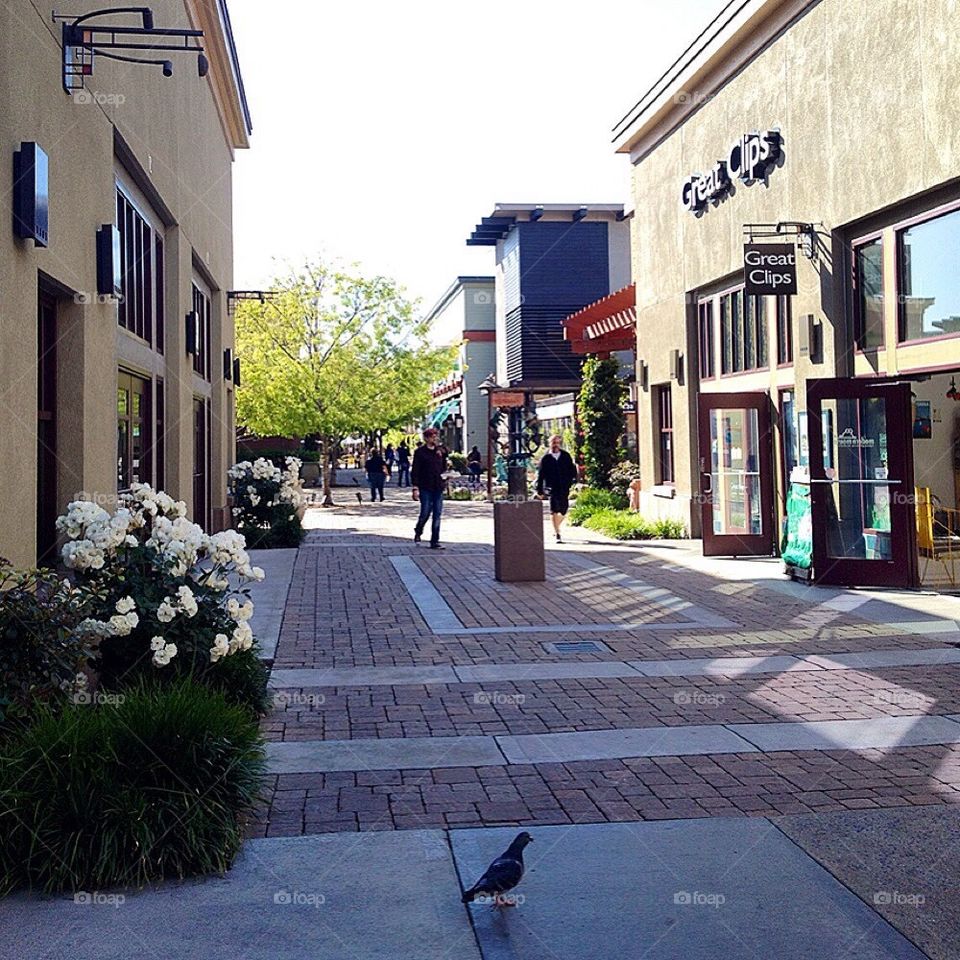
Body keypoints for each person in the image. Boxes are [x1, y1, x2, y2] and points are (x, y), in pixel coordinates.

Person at [536, 434, 578, 543]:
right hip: (551, 487)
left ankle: (557, 526)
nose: (555, 445)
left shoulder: (565, 456)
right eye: (553, 443)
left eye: (557, 443)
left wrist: (572, 481)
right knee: (554, 509)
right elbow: (541, 475)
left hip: (564, 486)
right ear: (550, 444)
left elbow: (572, 470)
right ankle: (557, 533)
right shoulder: (546, 458)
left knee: (563, 509)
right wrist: (540, 490)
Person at [411, 427, 447, 549]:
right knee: (425, 512)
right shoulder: (420, 452)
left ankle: (434, 541)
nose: (434, 438)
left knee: (437, 514)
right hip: (425, 486)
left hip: (438, 486)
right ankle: (418, 529)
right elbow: (415, 471)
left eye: (435, 436)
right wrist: (415, 487)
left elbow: (443, 468)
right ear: (426, 438)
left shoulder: (440, 452)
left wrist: (447, 477)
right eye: (432, 436)